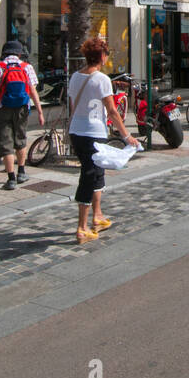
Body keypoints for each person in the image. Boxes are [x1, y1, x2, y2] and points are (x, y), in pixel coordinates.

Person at [68, 36, 138, 243]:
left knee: (97, 172)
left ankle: (97, 216)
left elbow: (74, 106)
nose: (107, 57)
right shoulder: (102, 79)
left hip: (77, 131)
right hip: (93, 133)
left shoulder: (74, 77)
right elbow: (113, 111)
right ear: (101, 56)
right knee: (89, 175)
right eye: (106, 53)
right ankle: (81, 227)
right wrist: (127, 136)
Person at [0, 40, 45, 191]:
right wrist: (40, 112)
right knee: (20, 139)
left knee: (5, 143)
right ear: (19, 53)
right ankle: (22, 172)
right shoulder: (26, 67)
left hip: (2, 108)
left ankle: (11, 179)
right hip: (22, 108)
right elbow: (33, 91)